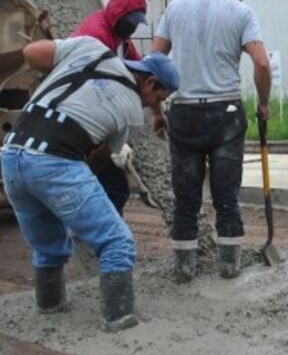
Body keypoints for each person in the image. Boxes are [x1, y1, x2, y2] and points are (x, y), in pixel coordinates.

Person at [1, 37, 178, 332]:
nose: (154, 106)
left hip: (11, 156)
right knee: (117, 242)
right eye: (159, 99)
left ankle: (50, 306)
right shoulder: (130, 110)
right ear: (149, 83)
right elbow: (98, 159)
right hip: (53, 161)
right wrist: (73, 193)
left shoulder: (89, 48)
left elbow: (31, 52)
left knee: (48, 247)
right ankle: (118, 318)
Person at [152, 0, 272, 282]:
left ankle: (183, 269)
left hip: (184, 113)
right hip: (225, 115)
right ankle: (229, 267)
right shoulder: (241, 12)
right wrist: (263, 103)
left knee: (186, 198)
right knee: (226, 196)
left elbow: (154, 63)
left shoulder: (175, 7)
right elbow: (261, 62)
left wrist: (156, 111)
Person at [70, 0, 150, 214]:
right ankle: (100, 235)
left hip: (98, 118)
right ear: (117, 13)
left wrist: (157, 110)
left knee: (108, 185)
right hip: (80, 116)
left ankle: (96, 232)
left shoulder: (120, 38)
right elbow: (96, 90)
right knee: (113, 187)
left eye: (137, 22)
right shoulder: (95, 38)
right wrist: (116, 140)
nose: (133, 27)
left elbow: (142, 73)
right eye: (130, 20)